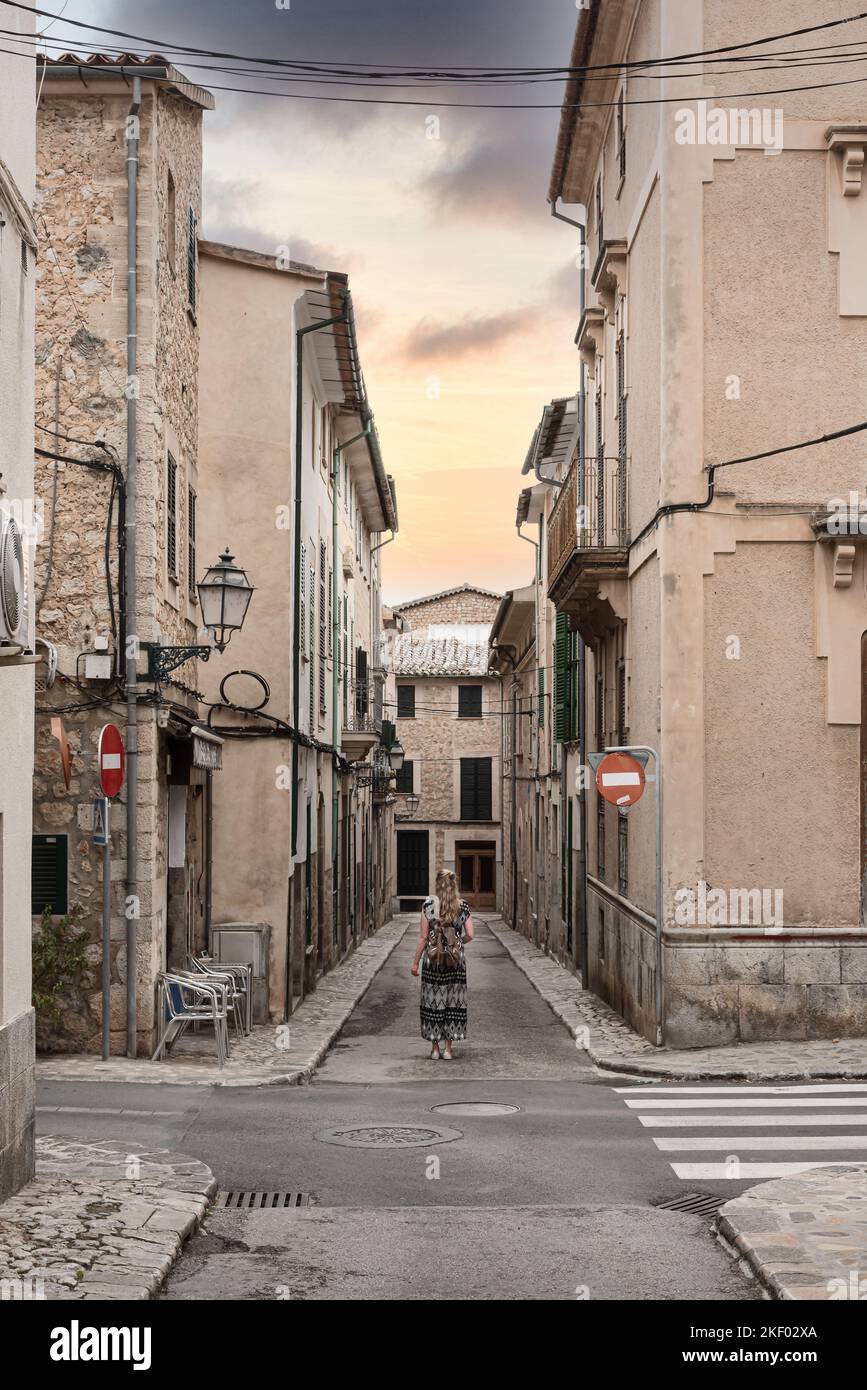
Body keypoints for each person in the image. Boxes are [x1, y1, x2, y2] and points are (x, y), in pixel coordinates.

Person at [411, 868, 474, 1060]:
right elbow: (471, 934)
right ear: (454, 885)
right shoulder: (462, 907)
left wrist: (415, 963)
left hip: (433, 962)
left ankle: (435, 1049)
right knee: (452, 1002)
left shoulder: (428, 906)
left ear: (437, 885)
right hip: (456, 963)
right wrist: (458, 943)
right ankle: (448, 1049)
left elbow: (423, 938)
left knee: (433, 1002)